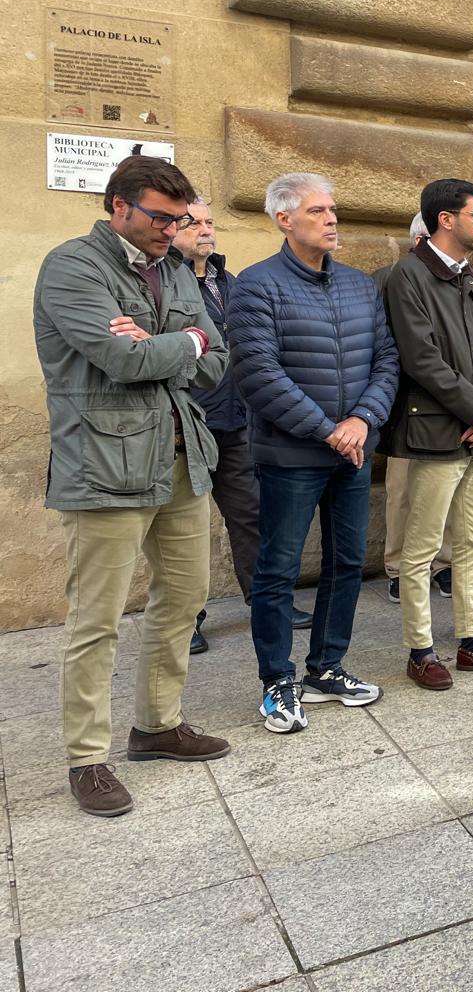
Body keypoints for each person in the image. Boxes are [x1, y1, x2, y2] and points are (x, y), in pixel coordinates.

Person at [35, 155, 231, 816]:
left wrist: (175, 342)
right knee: (98, 618)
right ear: (117, 205)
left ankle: (156, 724)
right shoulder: (73, 267)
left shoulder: (175, 268)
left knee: (184, 596)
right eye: (160, 218)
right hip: (104, 466)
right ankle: (87, 759)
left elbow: (218, 361)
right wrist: (186, 341)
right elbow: (120, 358)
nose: (171, 232)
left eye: (179, 220)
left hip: (181, 457)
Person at [229, 174, 398, 733]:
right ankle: (277, 680)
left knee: (347, 562)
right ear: (284, 219)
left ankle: (327, 667)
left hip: (350, 452)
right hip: (291, 456)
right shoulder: (256, 286)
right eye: (318, 211)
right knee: (278, 570)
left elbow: (386, 362)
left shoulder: (358, 285)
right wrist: (328, 429)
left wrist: (361, 421)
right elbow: (258, 374)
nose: (332, 220)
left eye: (333, 210)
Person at [382, 178, 473, 690]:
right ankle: (420, 650)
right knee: (420, 550)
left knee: (472, 540)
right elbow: (421, 359)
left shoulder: (468, 278)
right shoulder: (409, 276)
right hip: (435, 434)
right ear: (447, 220)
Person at [169, 198, 280, 655]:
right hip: (187, 423)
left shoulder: (227, 282)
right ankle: (184, 619)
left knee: (251, 515)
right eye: (194, 222)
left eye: (210, 222)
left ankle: (265, 603)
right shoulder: (161, 281)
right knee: (180, 529)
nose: (205, 229)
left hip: (237, 421)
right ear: (171, 229)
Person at [376, 214, 452, 605]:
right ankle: (398, 569)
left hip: (452, 402)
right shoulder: (387, 277)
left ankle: (442, 565)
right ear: (422, 238)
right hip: (406, 402)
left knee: (447, 491)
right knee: (402, 491)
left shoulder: (458, 277)